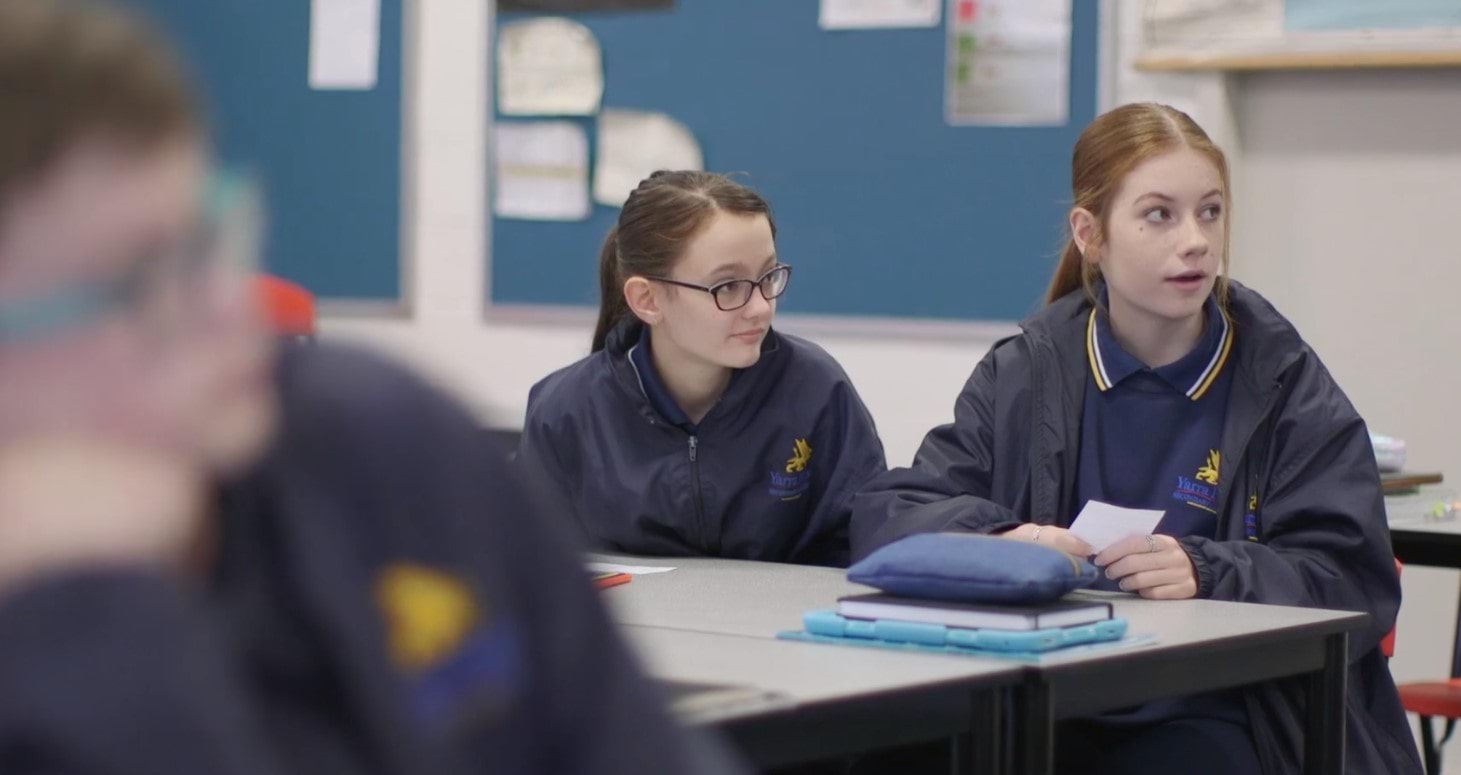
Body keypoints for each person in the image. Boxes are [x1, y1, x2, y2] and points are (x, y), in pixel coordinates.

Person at [0, 2, 743, 773]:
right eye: (141, 282)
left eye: (212, 235)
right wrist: (91, 617)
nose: (234, 308)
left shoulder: (377, 442)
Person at [850, 102, 1421, 774]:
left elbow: (1351, 576)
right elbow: (894, 512)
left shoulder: (1281, 379)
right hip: (1049, 696)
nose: (1196, 241)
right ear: (1089, 233)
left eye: (1209, 212)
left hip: (1220, 709)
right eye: (1159, 215)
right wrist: (1003, 539)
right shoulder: (1028, 369)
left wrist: (1209, 569)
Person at [520, 171, 885, 566]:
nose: (761, 307)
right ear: (648, 300)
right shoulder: (565, 412)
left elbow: (865, 545)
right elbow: (529, 567)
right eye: (727, 286)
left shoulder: (818, 391)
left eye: (768, 276)